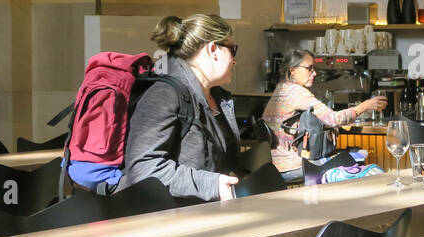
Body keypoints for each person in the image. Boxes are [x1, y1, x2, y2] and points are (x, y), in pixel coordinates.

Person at [118, 14, 243, 202]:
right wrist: (212, 184)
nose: (235, 60)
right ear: (213, 49)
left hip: (204, 213)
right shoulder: (163, 94)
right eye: (233, 50)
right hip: (167, 220)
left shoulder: (216, 96)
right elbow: (143, 168)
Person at [263, 50, 385, 180]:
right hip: (291, 164)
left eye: (314, 68)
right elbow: (334, 119)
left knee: (350, 156)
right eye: (309, 68)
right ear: (292, 70)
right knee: (355, 158)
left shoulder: (282, 88)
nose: (314, 73)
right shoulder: (296, 92)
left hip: (273, 164)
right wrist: (364, 106)